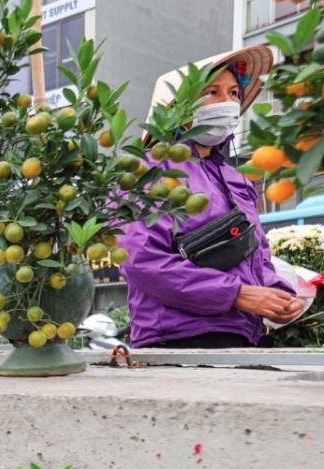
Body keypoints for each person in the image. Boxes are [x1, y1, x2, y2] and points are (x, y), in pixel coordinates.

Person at [120, 47, 304, 349]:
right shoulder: (146, 172)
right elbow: (142, 260)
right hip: (175, 339)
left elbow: (257, 255)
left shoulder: (236, 179)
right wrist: (237, 294)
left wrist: (277, 293)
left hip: (243, 336)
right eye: (212, 93)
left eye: (233, 92)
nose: (228, 102)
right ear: (178, 107)